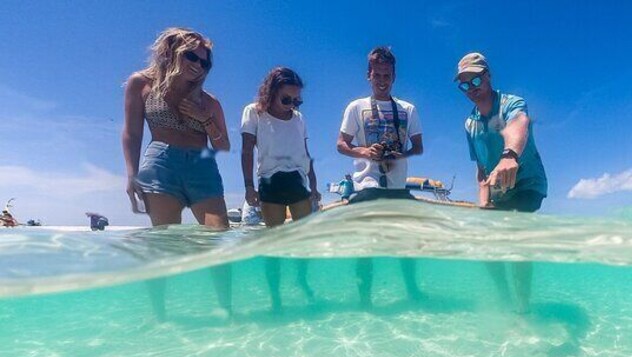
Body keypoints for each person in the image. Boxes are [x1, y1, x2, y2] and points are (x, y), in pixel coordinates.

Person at [122, 27, 232, 319]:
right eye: (191, 56)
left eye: (205, 62)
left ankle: (226, 310)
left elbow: (223, 146)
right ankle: (160, 315)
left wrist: (205, 119)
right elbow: (132, 133)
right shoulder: (141, 84)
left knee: (218, 240)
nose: (198, 65)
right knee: (162, 244)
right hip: (160, 164)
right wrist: (131, 174)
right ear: (170, 52)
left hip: (202, 166)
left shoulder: (210, 101)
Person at [456, 52, 548, 313]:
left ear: (488, 76)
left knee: (517, 240)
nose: (471, 89)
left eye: (475, 80)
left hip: (528, 183)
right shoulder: (469, 124)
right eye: (464, 85)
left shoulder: (511, 103)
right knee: (488, 249)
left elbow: (519, 124)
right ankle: (506, 299)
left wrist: (510, 155)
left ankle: (522, 308)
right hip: (498, 193)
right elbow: (481, 170)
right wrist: (483, 204)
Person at [336, 46, 425, 305]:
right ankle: (365, 298)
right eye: (378, 75)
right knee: (365, 247)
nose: (382, 81)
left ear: (394, 76)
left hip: (397, 187)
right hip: (367, 186)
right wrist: (365, 151)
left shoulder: (408, 109)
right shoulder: (356, 107)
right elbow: (341, 144)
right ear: (369, 75)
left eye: (387, 76)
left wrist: (402, 155)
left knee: (408, 244)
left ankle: (412, 291)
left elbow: (418, 147)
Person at [241, 67, 320, 310]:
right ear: (271, 92)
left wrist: (314, 186)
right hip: (270, 182)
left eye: (297, 100)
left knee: (303, 241)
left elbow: (305, 155)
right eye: (287, 99)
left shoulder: (299, 118)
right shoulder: (254, 112)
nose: (292, 105)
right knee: (273, 244)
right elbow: (246, 151)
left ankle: (301, 280)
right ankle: (275, 298)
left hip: (298, 181)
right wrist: (248, 187)